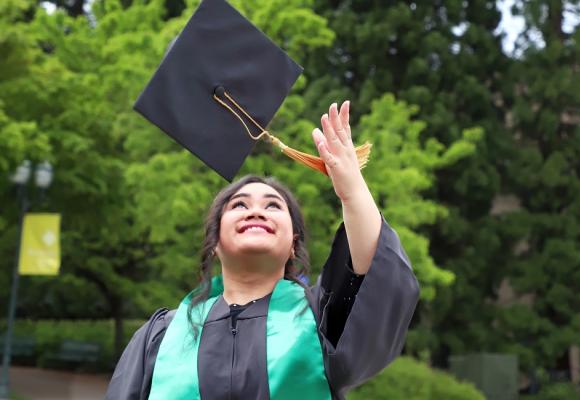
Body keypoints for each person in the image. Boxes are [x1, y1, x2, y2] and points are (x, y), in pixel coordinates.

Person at [106, 101, 420, 399]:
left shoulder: (318, 319)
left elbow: (373, 279)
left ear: (293, 244)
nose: (256, 212)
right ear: (214, 243)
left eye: (272, 206)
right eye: (239, 205)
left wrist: (352, 190)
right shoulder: (162, 336)